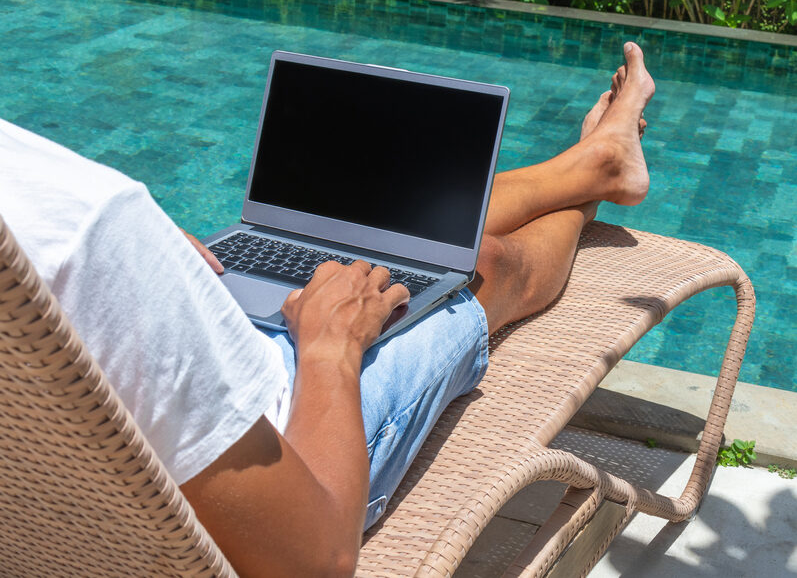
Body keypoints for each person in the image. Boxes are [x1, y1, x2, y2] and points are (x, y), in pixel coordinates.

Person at [0, 42, 654, 577]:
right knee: (484, 264)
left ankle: (587, 165)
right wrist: (329, 350)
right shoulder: (89, 220)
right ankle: (595, 174)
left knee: (404, 242)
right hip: (296, 436)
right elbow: (313, 559)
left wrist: (145, 264)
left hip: (124, 420)